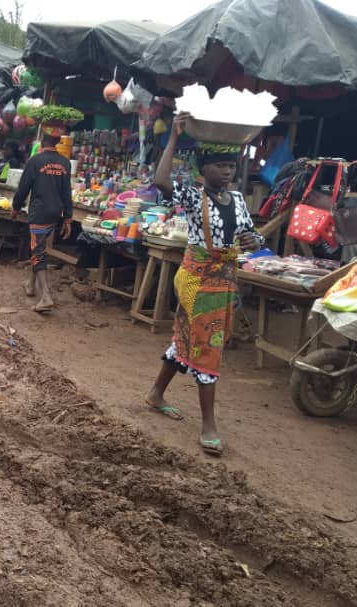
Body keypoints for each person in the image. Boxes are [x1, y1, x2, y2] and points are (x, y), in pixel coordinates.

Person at [145, 112, 264, 456]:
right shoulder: (194, 196)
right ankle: (209, 425)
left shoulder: (238, 200)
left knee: (186, 338)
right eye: (220, 165)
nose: (227, 171)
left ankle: (155, 394)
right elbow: (162, 181)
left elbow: (248, 232)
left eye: (230, 165)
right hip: (197, 280)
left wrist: (253, 240)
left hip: (223, 280)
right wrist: (172, 138)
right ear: (203, 171)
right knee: (208, 346)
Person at [12, 131, 71, 314]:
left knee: (38, 251)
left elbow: (23, 187)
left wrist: (15, 207)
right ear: (58, 141)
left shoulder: (35, 161)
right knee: (38, 247)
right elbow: (67, 192)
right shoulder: (65, 163)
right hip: (55, 213)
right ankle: (30, 285)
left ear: (42, 140)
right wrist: (68, 217)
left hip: (39, 212)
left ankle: (46, 296)